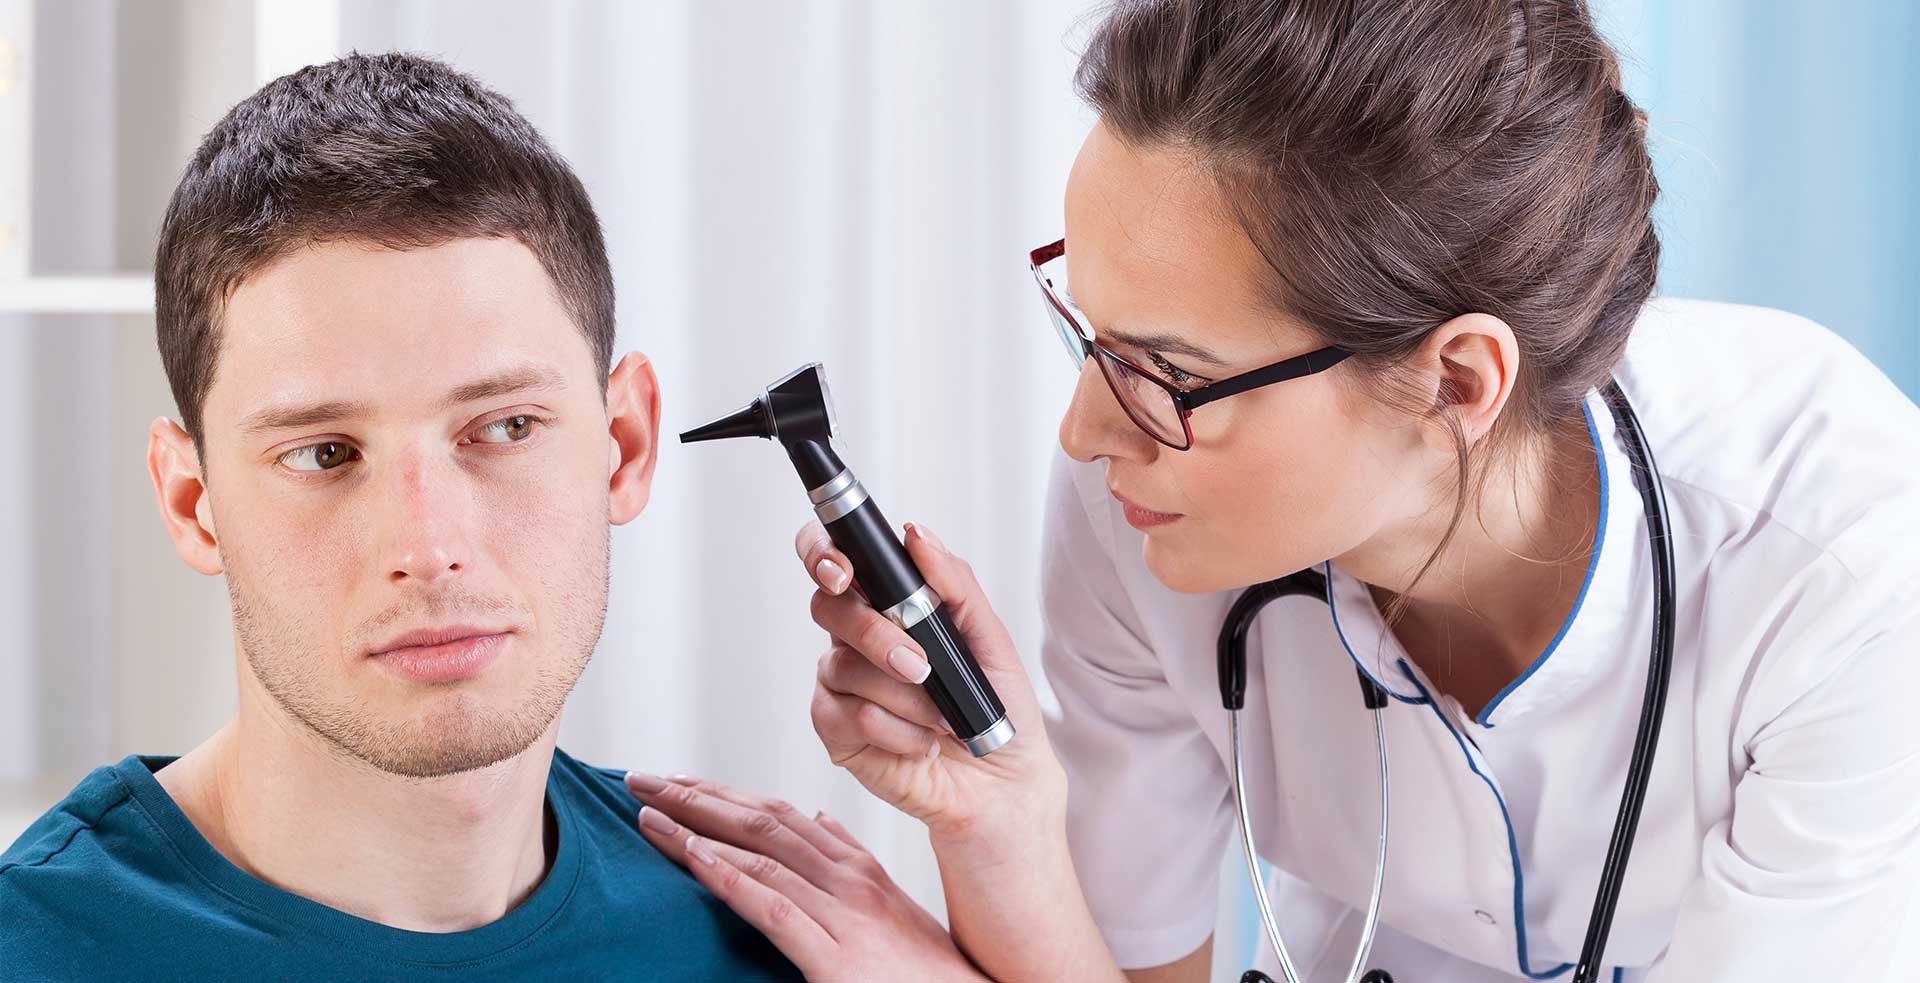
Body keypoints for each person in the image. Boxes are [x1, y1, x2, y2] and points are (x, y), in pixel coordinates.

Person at [626, 1, 1920, 980]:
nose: (1085, 431)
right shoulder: (1144, 513)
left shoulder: (1841, 563)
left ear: (1457, 380)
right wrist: (1002, 822)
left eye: (1166, 372)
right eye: (1090, 337)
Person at [0, 53, 803, 982]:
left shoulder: (773, 932)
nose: (429, 547)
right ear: (193, 503)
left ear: (624, 444)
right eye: (324, 453)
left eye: (505, 427)